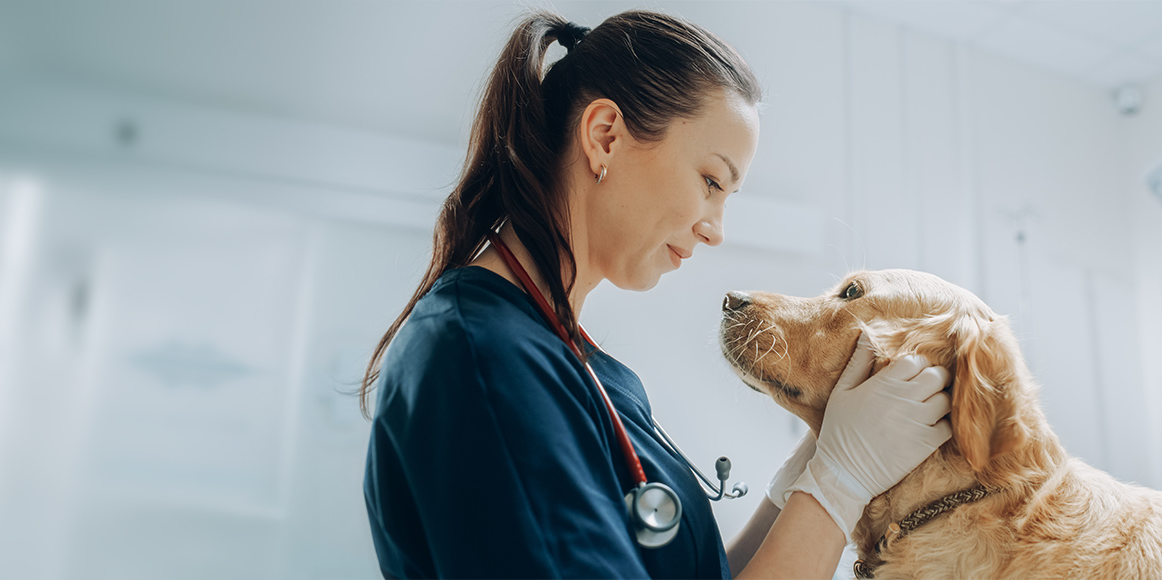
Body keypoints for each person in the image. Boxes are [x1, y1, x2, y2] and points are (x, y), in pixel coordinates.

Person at [360, 9, 952, 579]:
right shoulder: (484, 360)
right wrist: (839, 483)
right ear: (605, 137)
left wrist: (804, 478)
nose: (715, 229)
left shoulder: (582, 365)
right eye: (711, 181)